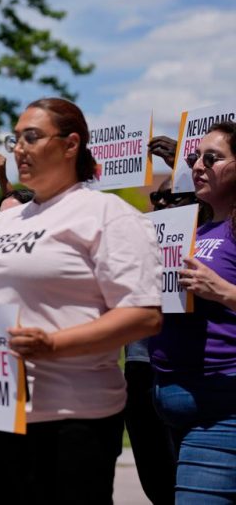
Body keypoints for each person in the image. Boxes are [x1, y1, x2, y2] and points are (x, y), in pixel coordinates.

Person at [0, 97, 163, 504]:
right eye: (15, 139)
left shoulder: (107, 215)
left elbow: (143, 316)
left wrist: (53, 345)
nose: (18, 149)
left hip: (72, 420)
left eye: (31, 137)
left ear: (71, 145)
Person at [150, 121, 236, 503]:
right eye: (194, 157)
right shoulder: (194, 230)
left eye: (212, 158)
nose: (198, 166)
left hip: (220, 408)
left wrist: (225, 292)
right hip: (173, 404)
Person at [124, 171, 195, 505]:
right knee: (154, 474)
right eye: (157, 197)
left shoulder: (201, 241)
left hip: (184, 372)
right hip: (140, 366)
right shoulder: (138, 239)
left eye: (174, 196)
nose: (163, 202)